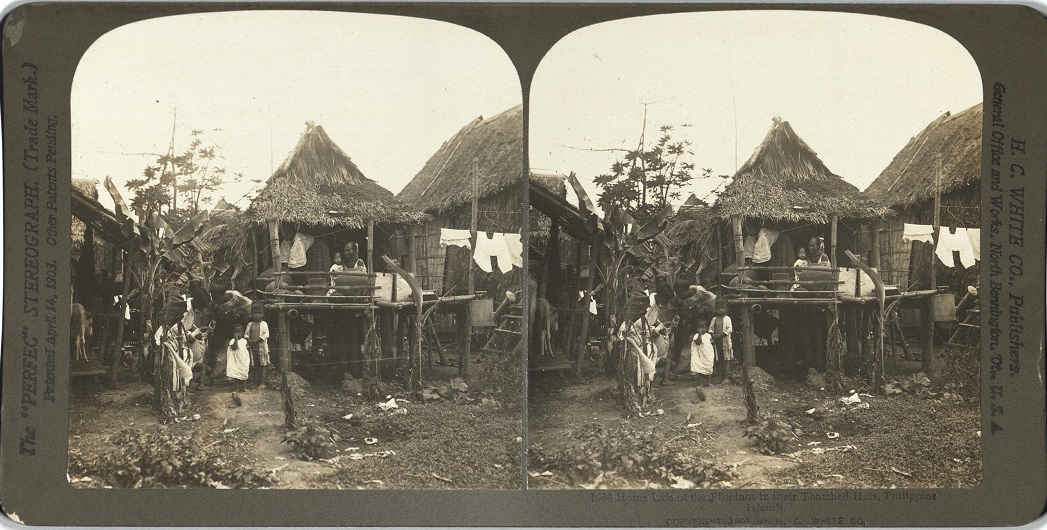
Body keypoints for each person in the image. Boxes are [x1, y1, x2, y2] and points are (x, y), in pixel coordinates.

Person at [246, 305, 270, 389]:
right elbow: (246, 334)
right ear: (252, 314)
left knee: (263, 364)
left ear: (263, 314)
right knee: (255, 364)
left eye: (259, 313)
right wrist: (248, 339)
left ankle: (262, 383)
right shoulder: (250, 324)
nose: (257, 315)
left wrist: (257, 340)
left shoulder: (264, 324)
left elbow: (266, 334)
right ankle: (255, 382)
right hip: (253, 347)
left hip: (261, 347)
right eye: (255, 313)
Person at [711, 305, 734, 383]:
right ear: (716, 309)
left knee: (727, 359)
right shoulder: (714, 319)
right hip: (717, 342)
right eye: (719, 308)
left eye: (722, 308)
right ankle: (719, 378)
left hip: (725, 342)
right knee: (718, 359)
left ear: (726, 309)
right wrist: (713, 334)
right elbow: (710, 329)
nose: (721, 310)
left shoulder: (727, 319)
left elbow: (729, 329)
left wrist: (721, 334)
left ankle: (726, 378)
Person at [225, 323, 250, 393]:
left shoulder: (244, 341)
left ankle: (245, 387)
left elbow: (247, 349)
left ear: (243, 333)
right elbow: (234, 347)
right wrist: (236, 338)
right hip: (235, 360)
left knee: (244, 372)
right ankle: (237, 388)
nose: (237, 333)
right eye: (236, 332)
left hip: (243, 359)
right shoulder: (232, 341)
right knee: (236, 374)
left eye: (239, 332)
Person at [690, 319, 715, 387]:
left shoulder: (709, 336)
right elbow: (698, 342)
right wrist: (700, 334)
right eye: (699, 327)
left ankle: (709, 382)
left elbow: (711, 344)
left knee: (709, 367)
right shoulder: (696, 335)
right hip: (700, 355)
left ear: (707, 328)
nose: (701, 328)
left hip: (707, 354)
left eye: (703, 327)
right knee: (701, 368)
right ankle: (701, 383)